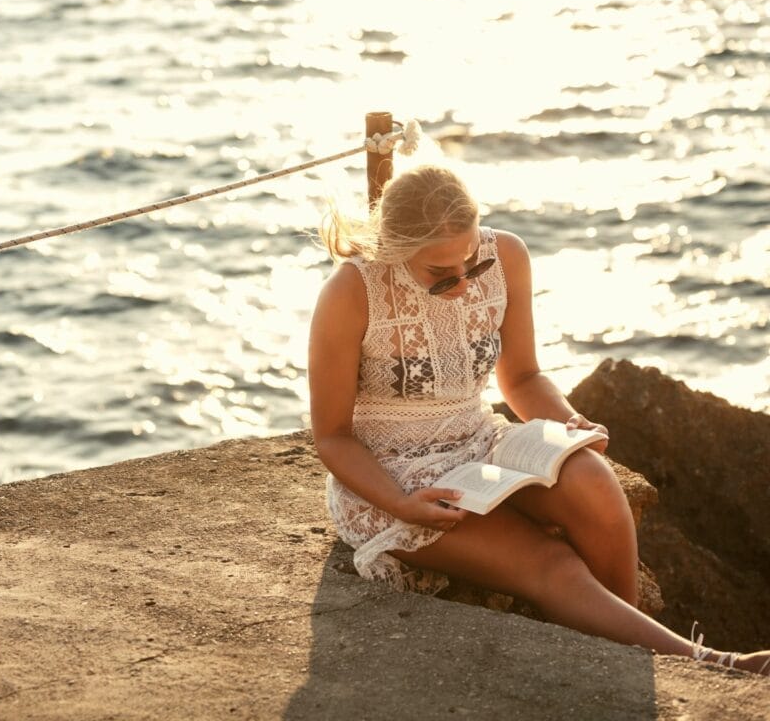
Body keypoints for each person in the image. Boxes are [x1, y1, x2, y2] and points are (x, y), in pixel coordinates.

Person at [307, 163, 769, 675]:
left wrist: (570, 422)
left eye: (470, 264)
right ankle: (708, 664)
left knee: (596, 483)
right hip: (393, 478)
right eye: (441, 275)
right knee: (551, 565)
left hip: (480, 444)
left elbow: (522, 378)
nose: (463, 283)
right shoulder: (351, 292)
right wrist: (401, 504)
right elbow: (332, 435)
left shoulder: (504, 255)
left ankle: (621, 655)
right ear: (396, 250)